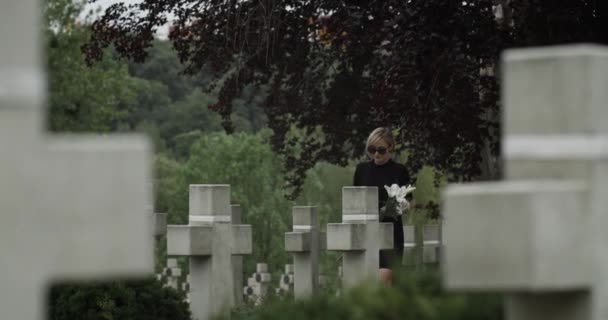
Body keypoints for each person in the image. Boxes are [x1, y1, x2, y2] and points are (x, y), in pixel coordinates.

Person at [353, 127, 412, 286]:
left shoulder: (399, 171)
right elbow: (355, 201)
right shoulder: (361, 170)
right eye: (372, 150)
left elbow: (407, 202)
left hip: (391, 234)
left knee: (384, 278)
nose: (376, 154)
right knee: (368, 282)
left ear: (391, 148)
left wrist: (394, 207)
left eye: (381, 150)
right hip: (367, 233)